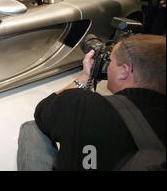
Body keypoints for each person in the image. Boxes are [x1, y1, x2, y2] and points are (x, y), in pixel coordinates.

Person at [17, 34, 166, 171]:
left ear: (124, 71)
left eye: (111, 61)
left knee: (31, 127)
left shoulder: (82, 103)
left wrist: (84, 78)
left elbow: (43, 110)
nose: (107, 67)